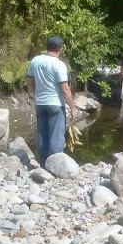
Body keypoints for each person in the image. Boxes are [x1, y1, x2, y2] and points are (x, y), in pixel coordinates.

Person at [26, 36, 77, 167]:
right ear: (60, 49)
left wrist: (32, 94)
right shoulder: (59, 64)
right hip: (55, 104)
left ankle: (43, 164)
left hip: (40, 103)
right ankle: (55, 166)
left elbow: (29, 80)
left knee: (43, 135)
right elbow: (65, 89)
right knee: (56, 137)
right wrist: (72, 107)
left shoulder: (35, 61)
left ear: (47, 46)